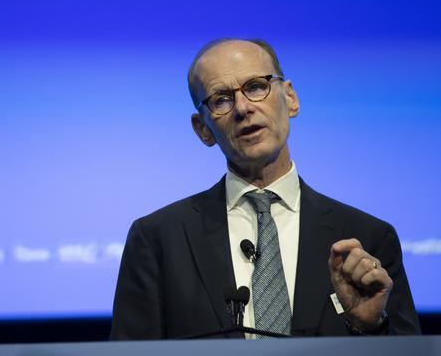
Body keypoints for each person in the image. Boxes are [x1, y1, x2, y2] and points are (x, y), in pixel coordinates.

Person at [110, 38, 421, 339]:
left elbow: (410, 350)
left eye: (256, 86)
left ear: (290, 98)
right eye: (221, 99)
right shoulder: (157, 240)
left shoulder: (369, 238)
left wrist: (368, 327)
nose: (243, 108)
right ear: (202, 129)